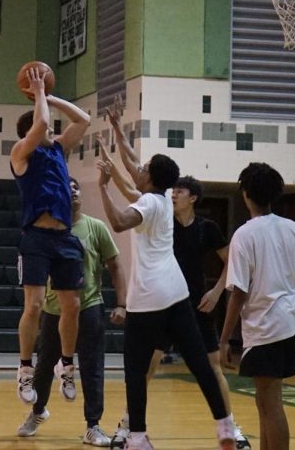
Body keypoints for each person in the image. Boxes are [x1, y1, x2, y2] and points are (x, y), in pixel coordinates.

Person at [97, 103, 236, 450]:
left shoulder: (149, 204)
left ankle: (138, 438)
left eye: (143, 170)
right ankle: (225, 426)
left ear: (150, 179)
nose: (138, 169)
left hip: (149, 298)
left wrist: (102, 186)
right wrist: (117, 130)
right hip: (177, 293)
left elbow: (116, 222)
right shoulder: (158, 198)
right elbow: (132, 164)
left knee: (136, 371)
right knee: (200, 362)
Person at [219, 163, 295, 450]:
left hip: (266, 327)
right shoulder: (293, 229)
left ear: (245, 193)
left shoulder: (245, 234)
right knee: (264, 401)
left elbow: (239, 293)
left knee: (271, 403)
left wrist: (225, 339)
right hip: (290, 324)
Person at [16, 177, 128, 447]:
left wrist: (122, 303)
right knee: (43, 368)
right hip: (54, 310)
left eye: (77, 187)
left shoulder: (96, 227)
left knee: (92, 368)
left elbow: (115, 266)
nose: (74, 191)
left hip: (89, 307)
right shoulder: (47, 229)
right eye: (68, 187)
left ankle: (93, 426)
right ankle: (36, 412)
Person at [10, 66, 91, 405]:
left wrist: (49, 94)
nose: (51, 126)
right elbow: (42, 123)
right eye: (43, 122)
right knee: (36, 305)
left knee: (72, 305)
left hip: (64, 238)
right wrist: (39, 92)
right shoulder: (20, 153)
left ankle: (67, 365)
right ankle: (25, 369)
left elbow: (84, 120)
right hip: (37, 238)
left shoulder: (58, 149)